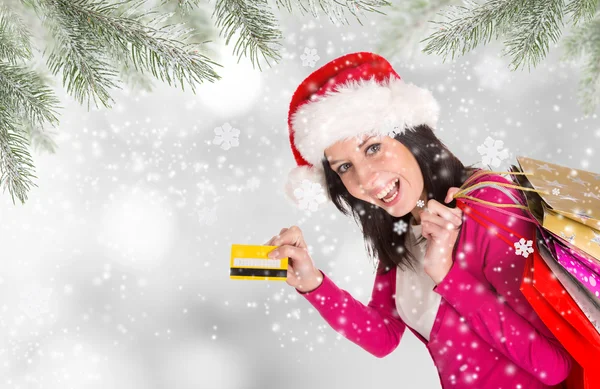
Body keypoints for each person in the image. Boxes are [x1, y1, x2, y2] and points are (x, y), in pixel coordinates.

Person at [264, 52, 573, 388]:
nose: (365, 180)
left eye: (372, 148)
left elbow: (554, 366)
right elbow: (382, 336)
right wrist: (313, 283)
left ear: (411, 136)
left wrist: (447, 275)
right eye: (344, 167)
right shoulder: (400, 225)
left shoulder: (488, 205)